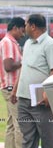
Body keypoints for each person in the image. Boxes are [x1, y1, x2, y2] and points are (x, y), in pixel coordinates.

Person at [16, 14, 53, 148]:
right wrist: (15, 90)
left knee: (48, 139)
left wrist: (48, 93)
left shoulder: (50, 44)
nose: (24, 28)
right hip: (23, 99)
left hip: (41, 101)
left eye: (26, 25)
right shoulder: (28, 43)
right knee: (27, 139)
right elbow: (25, 68)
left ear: (33, 26)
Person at [0, 17, 25, 148]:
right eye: (22, 30)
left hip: (11, 87)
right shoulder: (8, 42)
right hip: (11, 88)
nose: (23, 34)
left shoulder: (12, 42)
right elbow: (8, 66)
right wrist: (24, 61)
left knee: (10, 125)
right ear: (15, 28)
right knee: (20, 124)